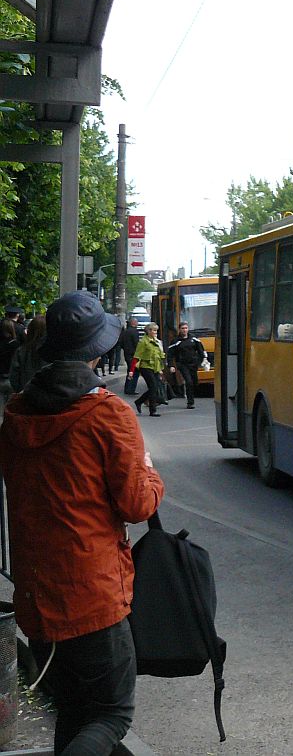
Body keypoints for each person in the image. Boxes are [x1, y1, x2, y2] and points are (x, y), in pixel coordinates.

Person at [0, 290, 164, 755]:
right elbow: (137, 504)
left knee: (73, 708)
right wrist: (150, 473)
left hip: (36, 591)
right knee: (112, 713)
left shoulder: (16, 415)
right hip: (91, 592)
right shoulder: (107, 415)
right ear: (96, 349)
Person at [130, 321, 167, 416]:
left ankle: (139, 401)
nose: (156, 332)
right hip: (145, 367)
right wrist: (131, 371)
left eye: (156, 331)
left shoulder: (157, 342)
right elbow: (137, 356)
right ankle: (152, 410)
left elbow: (159, 356)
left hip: (155, 367)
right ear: (148, 331)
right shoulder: (143, 342)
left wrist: (160, 369)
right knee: (153, 387)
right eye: (154, 330)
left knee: (153, 387)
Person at [167, 321, 206, 409]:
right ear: (179, 330)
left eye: (186, 328)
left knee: (194, 382)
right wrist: (171, 365)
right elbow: (170, 354)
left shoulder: (194, 339)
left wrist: (204, 359)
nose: (184, 330)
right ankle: (190, 402)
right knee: (189, 381)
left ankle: (190, 392)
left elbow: (201, 350)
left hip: (193, 364)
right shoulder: (176, 341)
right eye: (182, 328)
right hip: (182, 364)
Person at [7, 314, 47, 393]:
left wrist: (20, 391)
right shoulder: (55, 351)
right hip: (49, 396)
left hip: (26, 394)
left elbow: (13, 377)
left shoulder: (21, 351)